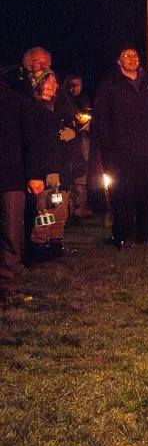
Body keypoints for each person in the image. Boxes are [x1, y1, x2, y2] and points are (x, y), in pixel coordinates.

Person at [92, 46, 148, 247]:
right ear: (119, 61)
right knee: (124, 194)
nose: (132, 59)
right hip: (121, 150)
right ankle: (123, 234)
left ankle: (147, 233)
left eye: (135, 55)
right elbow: (102, 118)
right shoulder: (110, 85)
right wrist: (108, 145)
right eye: (127, 56)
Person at [1, 80, 48, 292]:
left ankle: (7, 275)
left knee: (10, 229)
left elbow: (31, 138)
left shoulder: (14, 97)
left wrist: (34, 174)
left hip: (9, 173)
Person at [29, 71, 80, 258]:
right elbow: (37, 145)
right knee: (45, 210)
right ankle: (41, 244)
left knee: (61, 209)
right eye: (47, 82)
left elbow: (72, 134)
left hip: (63, 169)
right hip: (47, 171)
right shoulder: (34, 110)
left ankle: (57, 243)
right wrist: (48, 171)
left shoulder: (60, 109)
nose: (52, 84)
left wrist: (73, 134)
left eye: (54, 81)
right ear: (38, 85)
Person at [62, 75, 93, 218]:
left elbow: (86, 118)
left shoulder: (84, 100)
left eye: (77, 85)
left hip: (81, 139)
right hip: (68, 140)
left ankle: (81, 206)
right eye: (72, 85)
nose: (75, 88)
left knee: (81, 173)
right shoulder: (64, 100)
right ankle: (70, 207)